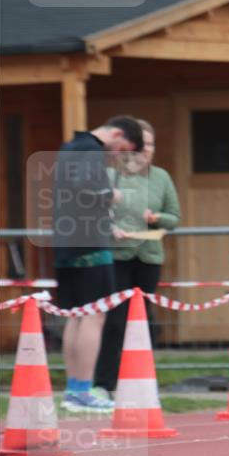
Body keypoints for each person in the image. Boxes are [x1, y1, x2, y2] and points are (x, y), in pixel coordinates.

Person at [53, 116, 143, 411]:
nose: (117, 155)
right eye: (122, 149)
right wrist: (110, 195)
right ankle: (82, 390)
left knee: (75, 315)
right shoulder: (91, 150)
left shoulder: (69, 147)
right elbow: (84, 190)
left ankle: (73, 390)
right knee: (95, 314)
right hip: (90, 244)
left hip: (66, 242)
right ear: (116, 134)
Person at [93, 120, 181, 401]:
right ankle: (104, 383)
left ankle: (142, 382)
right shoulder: (109, 175)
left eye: (151, 144)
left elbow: (174, 217)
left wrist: (157, 218)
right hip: (116, 257)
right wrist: (109, 228)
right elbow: (92, 212)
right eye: (142, 143)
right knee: (115, 321)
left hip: (148, 256)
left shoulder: (161, 177)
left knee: (144, 319)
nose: (146, 149)